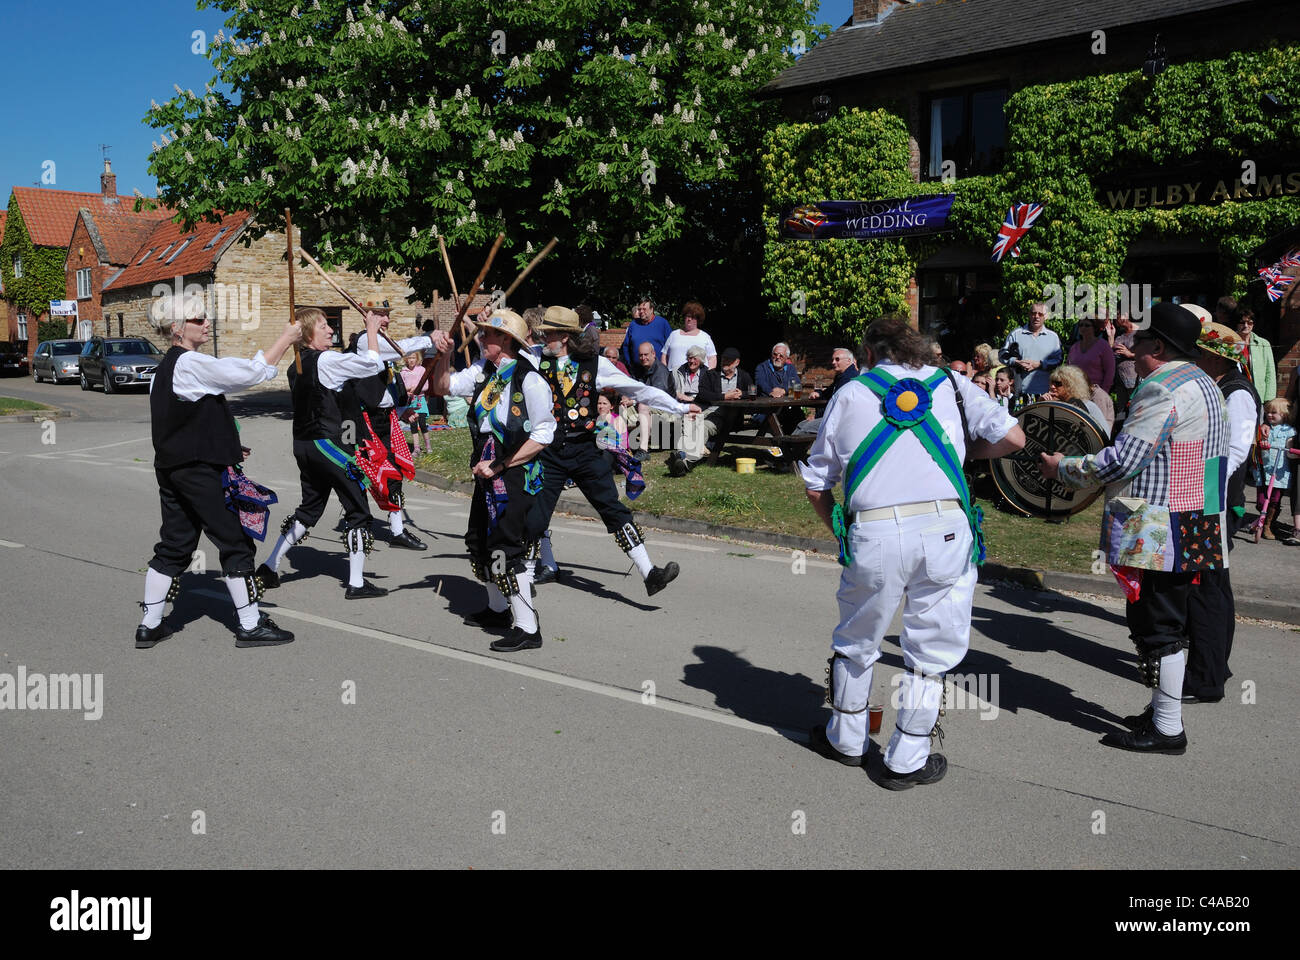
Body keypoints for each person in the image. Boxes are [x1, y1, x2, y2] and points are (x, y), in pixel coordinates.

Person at [802, 315, 1025, 788]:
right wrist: (960, 449)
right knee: (930, 648)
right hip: (945, 529)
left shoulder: (850, 392)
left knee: (858, 638)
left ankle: (846, 740)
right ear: (920, 349)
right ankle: (906, 759)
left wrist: (839, 531)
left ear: (867, 355)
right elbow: (1014, 438)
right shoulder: (954, 382)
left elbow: (817, 482)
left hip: (875, 532)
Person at [1041, 303, 1230, 755]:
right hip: (1198, 519)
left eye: (1140, 341)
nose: (1131, 347)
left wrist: (1062, 467)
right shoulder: (1205, 382)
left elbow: (1124, 459)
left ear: (1159, 347)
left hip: (1159, 524)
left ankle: (1167, 727)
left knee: (1156, 625)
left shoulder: (1161, 388)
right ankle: (1162, 712)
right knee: (1172, 620)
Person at [136, 307, 300, 650]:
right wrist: (285, 339)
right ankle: (250, 625)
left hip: (172, 469)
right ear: (177, 328)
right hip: (197, 471)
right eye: (198, 319)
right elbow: (248, 374)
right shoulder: (189, 363)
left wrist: (226, 444)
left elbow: (185, 420)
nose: (206, 323)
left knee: (176, 545)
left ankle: (149, 625)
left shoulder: (162, 370)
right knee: (236, 540)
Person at [529, 306, 696, 593]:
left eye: (551, 332)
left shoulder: (596, 365)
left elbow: (639, 390)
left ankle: (649, 573)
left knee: (612, 507)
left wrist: (679, 407)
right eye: (544, 332)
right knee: (535, 514)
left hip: (585, 450)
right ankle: (530, 575)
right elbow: (501, 348)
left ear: (566, 337)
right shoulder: (533, 359)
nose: (544, 337)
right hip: (549, 451)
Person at [430, 308, 554, 653]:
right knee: (481, 541)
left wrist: (500, 465)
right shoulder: (486, 372)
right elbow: (443, 386)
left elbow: (544, 435)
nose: (481, 337)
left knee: (507, 548)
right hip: (487, 468)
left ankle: (528, 628)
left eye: (488, 334)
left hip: (515, 472)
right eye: (482, 333)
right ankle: (499, 611)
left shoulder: (530, 379)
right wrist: (443, 356)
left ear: (507, 342)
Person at [260, 309, 391, 599]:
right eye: (323, 326)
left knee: (310, 509)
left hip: (304, 446)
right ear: (307, 336)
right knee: (358, 509)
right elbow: (371, 365)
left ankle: (270, 566)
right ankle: (356, 583)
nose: (331, 330)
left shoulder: (296, 366)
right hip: (327, 445)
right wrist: (371, 330)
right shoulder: (327, 360)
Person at [1181, 314, 1257, 705]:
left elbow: (1237, 452)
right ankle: (1212, 667)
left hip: (1213, 499)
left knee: (1206, 589)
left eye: (1200, 353)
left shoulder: (1237, 391)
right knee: (1212, 585)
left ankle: (1206, 677)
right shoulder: (1221, 386)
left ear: (1215, 358)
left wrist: (1200, 485)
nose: (1194, 359)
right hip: (1208, 495)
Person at [349, 311, 440, 550]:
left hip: (385, 419)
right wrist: (429, 339)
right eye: (379, 315)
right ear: (366, 317)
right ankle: (357, 522)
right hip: (365, 422)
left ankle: (396, 531)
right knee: (361, 473)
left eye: (387, 315)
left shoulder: (384, 346)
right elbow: (399, 349)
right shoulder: (364, 341)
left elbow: (387, 387)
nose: (385, 320)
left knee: (395, 472)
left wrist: (401, 409)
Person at [672, 346, 754, 471]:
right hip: (707, 410)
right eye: (724, 359)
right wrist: (724, 396)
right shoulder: (711, 374)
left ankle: (683, 456)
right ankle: (686, 459)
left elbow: (754, 391)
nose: (724, 362)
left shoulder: (743, 376)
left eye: (729, 360)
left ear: (737, 362)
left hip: (727, 416)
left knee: (702, 427)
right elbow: (703, 393)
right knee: (690, 421)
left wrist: (742, 394)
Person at [1252, 398, 1296, 541]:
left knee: (1275, 500)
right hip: (1265, 469)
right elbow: (1258, 445)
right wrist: (1262, 444)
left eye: (1274, 412)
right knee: (1261, 500)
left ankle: (1268, 524)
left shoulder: (1289, 431)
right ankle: (1262, 518)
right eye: (1268, 412)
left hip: (1280, 472)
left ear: (1283, 414)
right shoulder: (1265, 429)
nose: (1269, 415)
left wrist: (1293, 452)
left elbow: (1289, 450)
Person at [1000, 302, 1062, 397]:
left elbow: (1059, 360)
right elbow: (1002, 354)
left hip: (1046, 392)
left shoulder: (1053, 337)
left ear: (1046, 316)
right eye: (1033, 313)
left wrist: (1040, 364)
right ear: (1029, 315)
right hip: (1020, 391)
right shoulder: (1016, 334)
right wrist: (1016, 362)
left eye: (1040, 314)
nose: (1036, 316)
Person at [629, 340, 674, 454]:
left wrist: (634, 400)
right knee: (620, 406)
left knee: (643, 406)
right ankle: (622, 446)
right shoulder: (640, 369)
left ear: (653, 354)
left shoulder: (661, 370)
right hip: (645, 404)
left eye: (646, 354)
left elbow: (656, 396)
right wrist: (626, 396)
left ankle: (643, 449)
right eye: (640, 355)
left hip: (665, 407)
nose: (643, 358)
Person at [1046, 364, 1111, 434]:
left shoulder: (1087, 405)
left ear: (1070, 385)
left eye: (1058, 384)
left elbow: (1104, 435)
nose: (1052, 386)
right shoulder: (1052, 403)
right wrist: (1042, 404)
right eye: (1052, 382)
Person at [1235, 304, 1276, 403]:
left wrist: (1269, 399)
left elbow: (1270, 372)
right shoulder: (1229, 341)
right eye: (1242, 322)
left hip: (1257, 395)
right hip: (1236, 393)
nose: (1246, 326)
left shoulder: (1263, 344)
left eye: (1249, 322)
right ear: (1236, 323)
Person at [661, 300, 717, 371]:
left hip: (698, 380)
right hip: (673, 378)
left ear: (698, 319)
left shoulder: (705, 337)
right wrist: (665, 373)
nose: (689, 319)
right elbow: (664, 355)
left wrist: (707, 375)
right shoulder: (674, 334)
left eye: (693, 317)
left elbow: (712, 358)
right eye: (687, 316)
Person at [1104, 312, 1138, 429]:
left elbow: (1148, 354)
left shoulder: (1140, 333)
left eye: (1117, 316)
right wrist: (1110, 336)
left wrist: (1130, 354)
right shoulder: (1120, 336)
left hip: (1134, 380)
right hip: (1120, 380)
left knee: (1135, 409)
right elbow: (1109, 356)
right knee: (1121, 411)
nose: (1115, 320)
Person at [619, 298, 672, 371]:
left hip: (658, 371)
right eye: (640, 309)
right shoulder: (633, 324)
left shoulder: (662, 324)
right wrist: (629, 363)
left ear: (651, 309)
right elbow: (626, 346)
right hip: (637, 371)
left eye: (644, 309)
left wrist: (666, 366)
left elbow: (670, 346)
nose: (641, 311)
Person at [1067, 316, 1115, 395]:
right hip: (1075, 392)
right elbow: (1068, 369)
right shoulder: (1074, 347)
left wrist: (1103, 393)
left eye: (1087, 325)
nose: (1083, 328)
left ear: (1094, 327)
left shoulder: (1103, 346)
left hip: (1095, 392)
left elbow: (1110, 372)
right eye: (1081, 325)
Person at [400, 353, 431, 456]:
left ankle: (428, 446)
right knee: (413, 425)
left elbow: (426, 386)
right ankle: (416, 448)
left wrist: (417, 389)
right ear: (406, 360)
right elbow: (401, 387)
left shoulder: (422, 370)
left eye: (413, 358)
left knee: (422, 424)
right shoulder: (403, 372)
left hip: (420, 400)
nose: (411, 360)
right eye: (409, 358)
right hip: (410, 402)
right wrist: (407, 391)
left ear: (417, 359)